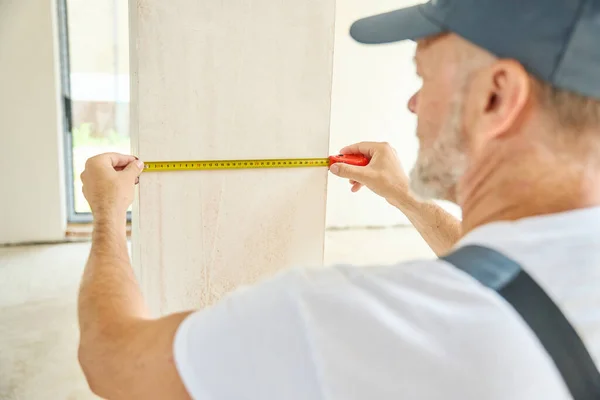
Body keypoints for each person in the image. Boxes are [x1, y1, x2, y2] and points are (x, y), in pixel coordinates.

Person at [77, 0, 600, 399]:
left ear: (496, 97)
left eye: (423, 77)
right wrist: (411, 201)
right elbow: (511, 274)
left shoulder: (338, 319)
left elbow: (111, 358)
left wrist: (108, 214)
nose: (413, 104)